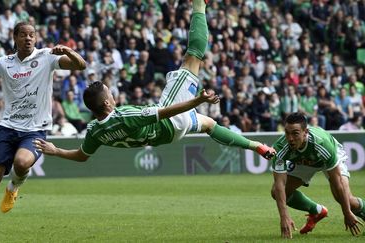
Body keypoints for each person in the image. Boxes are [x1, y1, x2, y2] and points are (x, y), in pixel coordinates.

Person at [34, 0, 275, 165]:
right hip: (169, 122)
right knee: (193, 58)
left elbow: (82, 156)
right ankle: (199, 4)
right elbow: (166, 111)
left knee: (210, 124)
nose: (114, 97)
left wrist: (56, 151)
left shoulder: (95, 131)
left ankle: (257, 146)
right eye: (110, 94)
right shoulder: (124, 116)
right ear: (107, 103)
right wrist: (197, 100)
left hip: (167, 137)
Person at [0, 22, 86, 243]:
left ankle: (14, 187)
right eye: (23, 34)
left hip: (35, 129)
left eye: (32, 35)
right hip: (7, 128)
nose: (28, 38)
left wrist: (69, 51)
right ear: (15, 37)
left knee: (22, 163)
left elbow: (81, 66)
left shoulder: (47, 57)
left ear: (36, 37)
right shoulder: (5, 63)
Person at [270, 112, 365, 239]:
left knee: (347, 200)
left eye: (295, 133)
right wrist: (284, 216)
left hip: (327, 157)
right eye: (287, 133)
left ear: (305, 132)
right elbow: (279, 184)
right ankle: (317, 211)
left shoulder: (321, 144)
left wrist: (346, 212)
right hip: (304, 160)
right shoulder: (280, 148)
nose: (290, 138)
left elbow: (337, 182)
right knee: (276, 192)